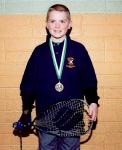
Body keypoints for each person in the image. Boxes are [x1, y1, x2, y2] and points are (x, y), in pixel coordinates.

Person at [13, 4, 99, 150]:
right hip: (46, 119)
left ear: (69, 24)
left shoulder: (79, 50)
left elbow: (89, 79)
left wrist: (93, 102)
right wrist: (26, 112)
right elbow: (28, 84)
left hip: (72, 118)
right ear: (47, 24)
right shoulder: (39, 52)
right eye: (53, 21)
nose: (57, 26)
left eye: (62, 21)